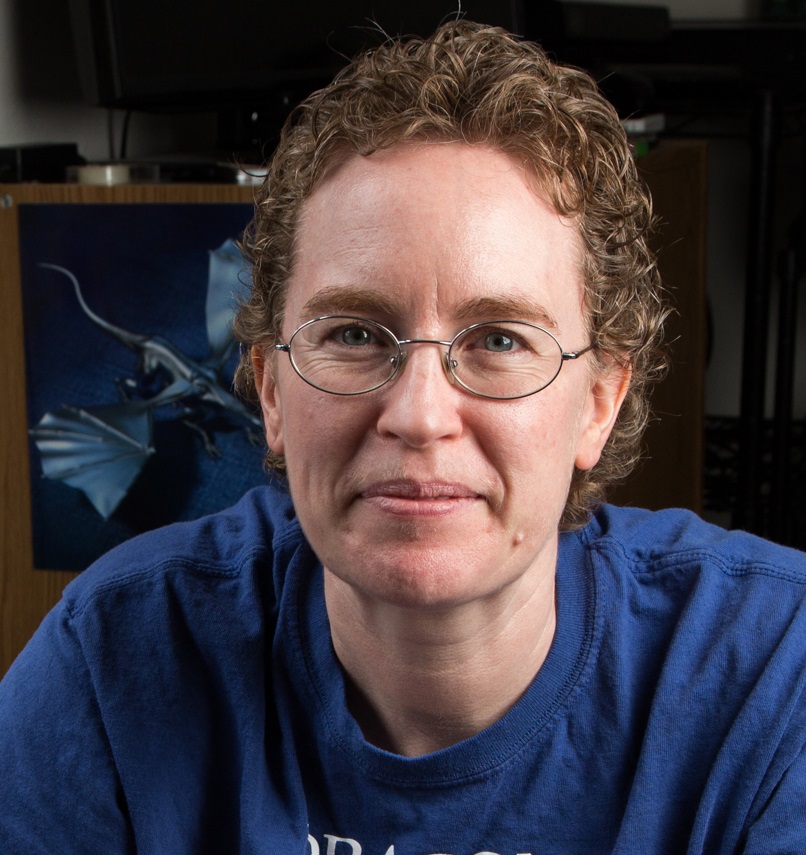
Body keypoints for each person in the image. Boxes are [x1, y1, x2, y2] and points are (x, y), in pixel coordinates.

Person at [2, 19, 805, 854]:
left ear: (599, 401)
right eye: (353, 333)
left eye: (500, 340)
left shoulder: (774, 674)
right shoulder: (113, 659)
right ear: (270, 388)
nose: (420, 415)